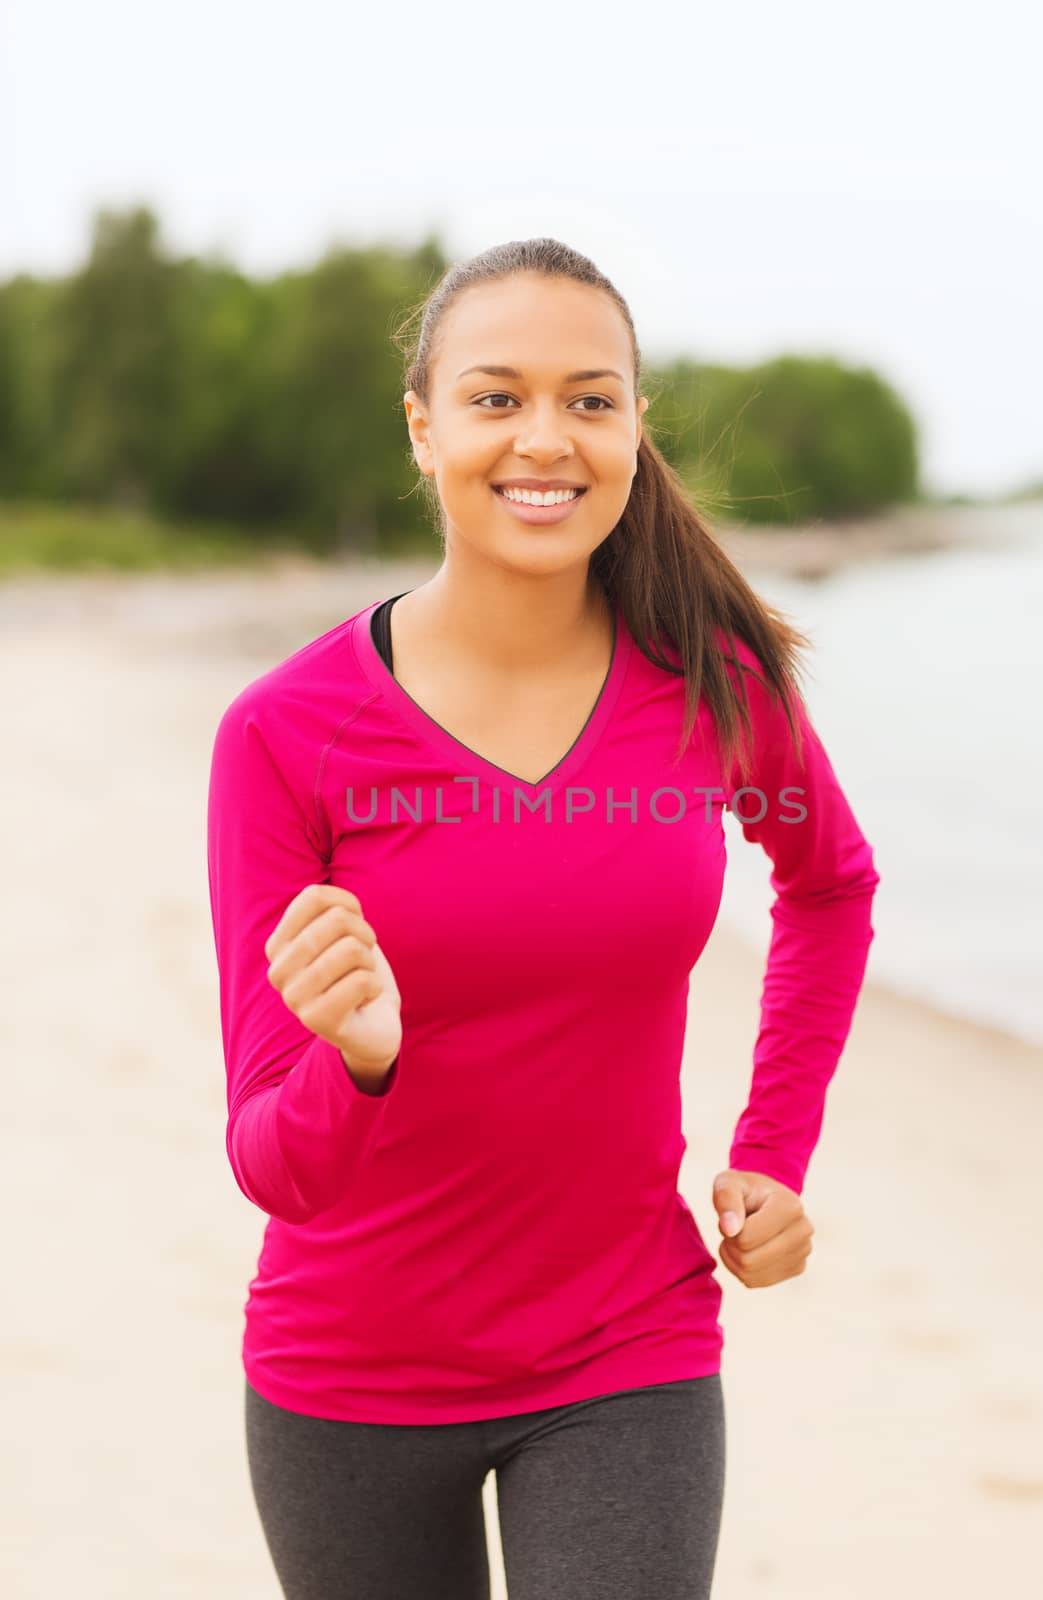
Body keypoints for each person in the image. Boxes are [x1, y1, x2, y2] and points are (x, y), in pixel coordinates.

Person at [205, 236, 880, 1600]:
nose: (546, 439)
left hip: (627, 1349)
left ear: (635, 425)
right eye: (495, 396)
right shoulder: (284, 737)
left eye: (590, 398)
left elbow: (826, 884)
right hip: (350, 1377)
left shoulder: (713, 686)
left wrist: (775, 1155)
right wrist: (358, 1059)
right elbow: (275, 1167)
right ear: (424, 426)